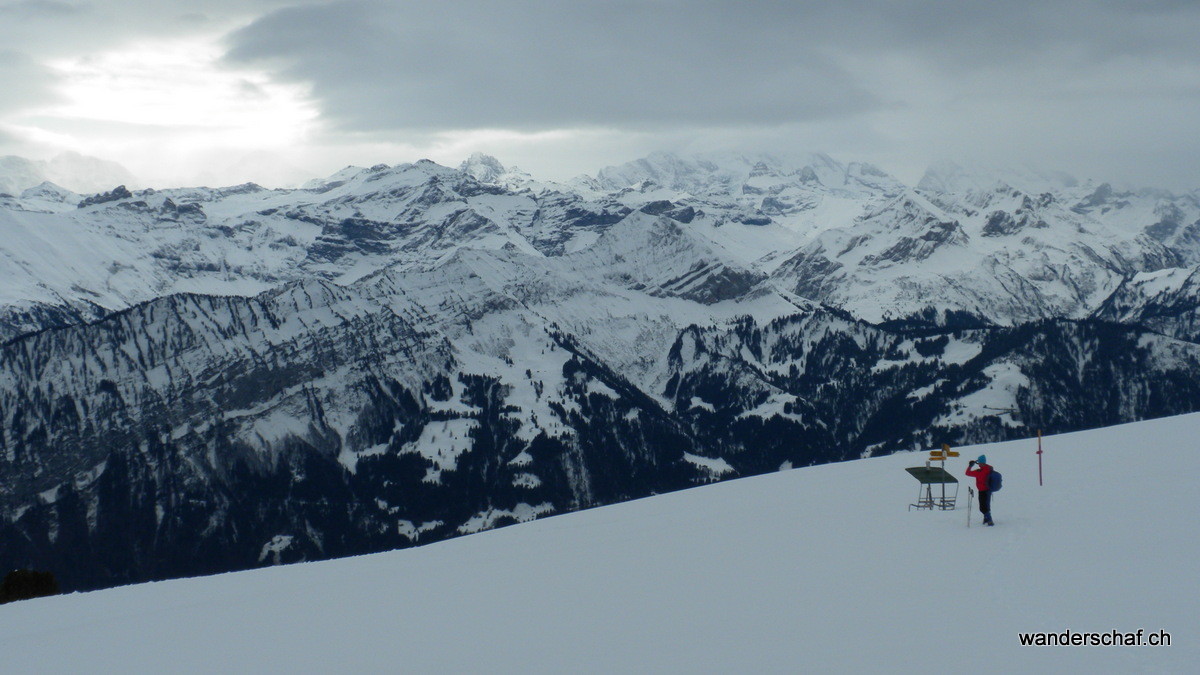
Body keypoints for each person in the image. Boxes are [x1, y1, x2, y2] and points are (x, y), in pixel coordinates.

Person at [965, 455, 994, 526]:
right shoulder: (989, 469)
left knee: (982, 507)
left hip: (982, 491)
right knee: (986, 505)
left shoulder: (980, 472)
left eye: (979, 462)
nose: (978, 464)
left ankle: (989, 519)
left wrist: (970, 466)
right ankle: (986, 519)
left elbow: (967, 473)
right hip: (989, 490)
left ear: (981, 462)